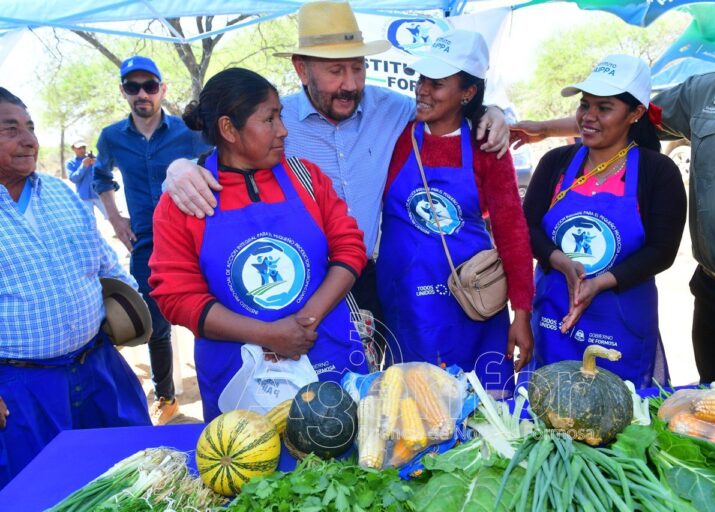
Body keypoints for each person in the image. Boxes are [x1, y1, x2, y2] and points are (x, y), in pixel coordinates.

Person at [162, 2, 510, 349]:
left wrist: (490, 112)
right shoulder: (274, 123)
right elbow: (224, 158)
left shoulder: (392, 109)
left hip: (369, 276)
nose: (351, 84)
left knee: (376, 384)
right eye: (335, 71)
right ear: (302, 69)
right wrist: (177, 169)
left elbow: (449, 107)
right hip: (302, 285)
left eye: (358, 68)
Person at [511, 0, 715, 384]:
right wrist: (544, 129)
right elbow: (626, 117)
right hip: (714, 297)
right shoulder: (706, 91)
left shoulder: (655, 173)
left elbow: (623, 114)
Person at [148, 68, 369, 422]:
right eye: (270, 119)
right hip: (241, 376)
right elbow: (177, 297)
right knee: (254, 469)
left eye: (280, 115)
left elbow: (350, 248)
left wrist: (305, 322)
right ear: (228, 129)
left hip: (324, 352)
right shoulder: (187, 201)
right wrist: (268, 335)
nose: (283, 130)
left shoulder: (306, 178)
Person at [0, 87, 151, 488]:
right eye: (10, 129)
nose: (29, 139)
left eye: (30, 127)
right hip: (23, 390)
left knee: (135, 479)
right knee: (44, 491)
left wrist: (126, 308)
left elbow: (106, 264)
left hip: (100, 368)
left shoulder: (61, 194)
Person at [376, 30, 533, 397]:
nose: (423, 90)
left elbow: (512, 230)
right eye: (422, 80)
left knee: (482, 414)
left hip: (474, 304)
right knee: (414, 415)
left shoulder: (485, 145)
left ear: (468, 93)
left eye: (437, 83)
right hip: (407, 306)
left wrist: (521, 311)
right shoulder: (396, 133)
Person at [519, 55, 686, 389]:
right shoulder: (556, 162)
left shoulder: (657, 172)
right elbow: (527, 229)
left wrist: (601, 282)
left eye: (604, 108)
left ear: (636, 113)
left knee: (620, 417)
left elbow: (662, 251)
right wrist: (561, 261)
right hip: (555, 316)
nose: (588, 117)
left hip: (620, 321)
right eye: (585, 105)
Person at [92, 56, 211, 424]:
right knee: (156, 325)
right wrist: (115, 218)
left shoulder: (187, 133)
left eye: (149, 86)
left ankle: (217, 394)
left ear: (162, 89)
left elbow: (217, 159)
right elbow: (101, 178)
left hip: (195, 240)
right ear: (123, 91)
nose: (142, 94)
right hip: (145, 242)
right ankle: (166, 396)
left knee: (209, 317)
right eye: (133, 87)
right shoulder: (112, 137)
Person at [65, 140, 107, 218]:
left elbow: (106, 173)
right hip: (84, 197)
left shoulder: (95, 158)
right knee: (90, 222)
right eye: (79, 148)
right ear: (73, 149)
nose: (82, 150)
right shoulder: (70, 163)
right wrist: (84, 166)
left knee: (112, 217)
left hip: (100, 194)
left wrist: (97, 164)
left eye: (83, 147)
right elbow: (74, 179)